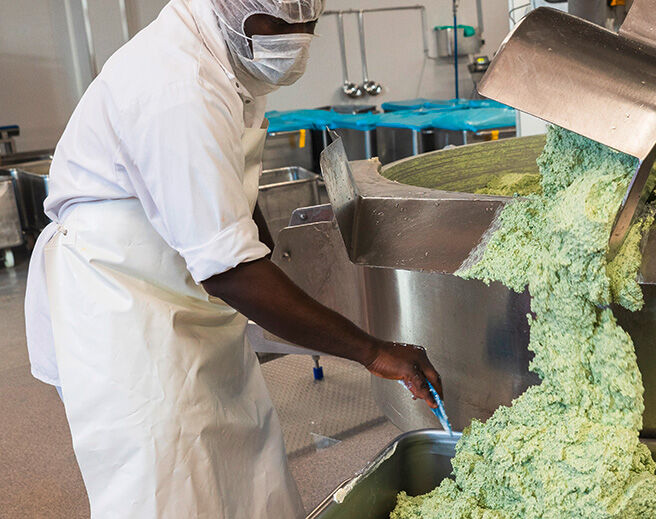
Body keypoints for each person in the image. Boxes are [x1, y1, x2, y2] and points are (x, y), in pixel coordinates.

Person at [23, 0, 443, 517]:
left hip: (184, 295)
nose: (298, 35)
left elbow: (229, 202)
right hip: (126, 309)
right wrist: (372, 351)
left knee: (244, 469)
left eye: (309, 18)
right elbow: (231, 269)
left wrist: (283, 282)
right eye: (282, 19)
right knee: (170, 483)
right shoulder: (178, 86)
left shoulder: (230, 59)